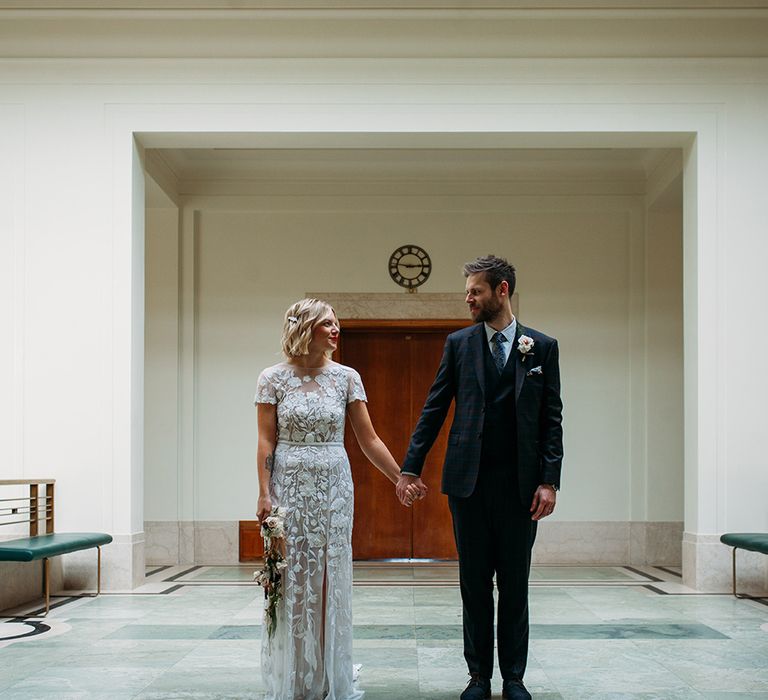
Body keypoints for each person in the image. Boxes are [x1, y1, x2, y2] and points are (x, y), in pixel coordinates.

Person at [397, 255, 563, 700]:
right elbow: (434, 408)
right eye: (468, 290)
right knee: (473, 584)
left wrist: (550, 480)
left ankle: (513, 678)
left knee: (514, 585)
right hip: (467, 486)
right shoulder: (459, 344)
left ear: (502, 290)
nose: (468, 298)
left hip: (521, 489)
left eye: (476, 290)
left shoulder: (542, 347)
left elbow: (552, 420)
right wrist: (410, 466)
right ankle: (478, 677)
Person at [255, 298, 422, 700]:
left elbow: (369, 439)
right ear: (306, 327)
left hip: (334, 485)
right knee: (291, 577)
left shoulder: (347, 377)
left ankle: (330, 672)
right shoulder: (272, 378)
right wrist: (264, 492)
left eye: (337, 323)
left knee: (330, 574)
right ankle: (294, 674)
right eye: (327, 323)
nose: (335, 330)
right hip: (288, 484)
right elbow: (265, 440)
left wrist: (400, 477)